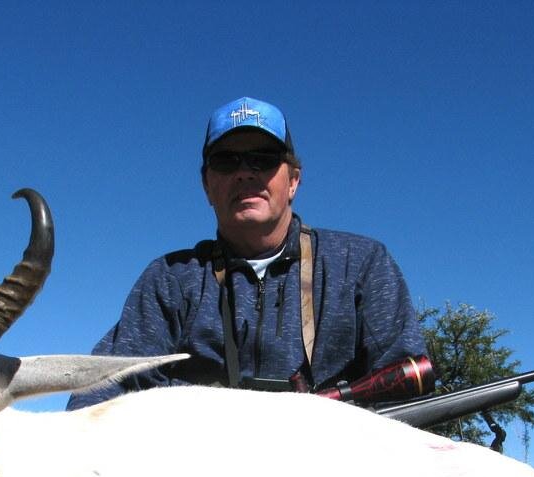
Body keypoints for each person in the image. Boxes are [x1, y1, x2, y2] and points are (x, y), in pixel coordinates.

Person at [67, 96, 428, 410]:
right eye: (226, 162)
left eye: (263, 159)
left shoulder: (360, 263)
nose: (244, 174)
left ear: (294, 181)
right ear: (207, 185)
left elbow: (409, 383)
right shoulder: (172, 277)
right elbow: (100, 387)